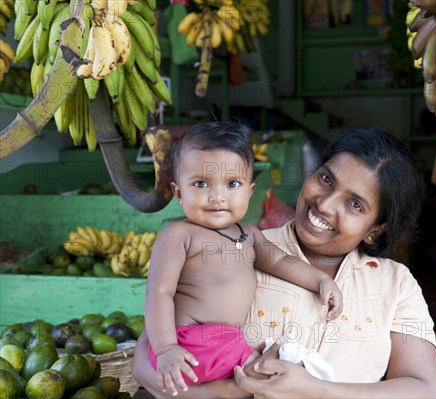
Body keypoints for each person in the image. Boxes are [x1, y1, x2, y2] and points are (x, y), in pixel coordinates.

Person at [133, 127, 436, 398]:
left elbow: (424, 390)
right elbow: (146, 358)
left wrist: (315, 391)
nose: (324, 203)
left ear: (376, 229)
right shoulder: (238, 248)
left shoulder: (394, 284)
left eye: (354, 204)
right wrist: (211, 394)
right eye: (325, 178)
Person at [144, 122, 343, 395]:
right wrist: (166, 348)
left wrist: (320, 280)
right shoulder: (179, 235)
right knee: (263, 374)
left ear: (249, 191)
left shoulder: (249, 235)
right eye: (201, 184)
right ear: (179, 193)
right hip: (190, 342)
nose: (217, 197)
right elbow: (159, 292)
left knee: (265, 369)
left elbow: (282, 262)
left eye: (232, 184)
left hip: (223, 344)